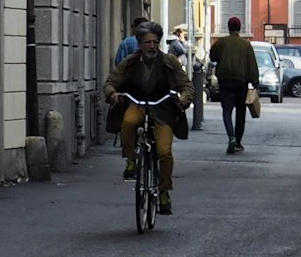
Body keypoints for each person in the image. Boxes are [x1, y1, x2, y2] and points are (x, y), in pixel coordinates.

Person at [104, 21, 194, 216]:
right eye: (147, 43)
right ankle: (131, 160)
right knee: (128, 123)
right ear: (140, 44)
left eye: (155, 42)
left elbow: (186, 85)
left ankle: (163, 191)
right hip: (137, 102)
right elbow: (111, 81)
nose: (152, 46)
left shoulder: (169, 62)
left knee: (164, 151)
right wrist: (112, 93)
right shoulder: (130, 62)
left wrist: (184, 98)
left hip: (162, 108)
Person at [208, 16, 259, 155]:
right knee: (240, 113)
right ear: (240, 28)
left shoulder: (221, 42)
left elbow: (212, 56)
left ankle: (230, 137)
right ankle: (238, 141)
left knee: (226, 111)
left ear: (228, 27)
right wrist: (255, 82)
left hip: (225, 81)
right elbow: (252, 64)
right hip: (241, 82)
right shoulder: (246, 44)